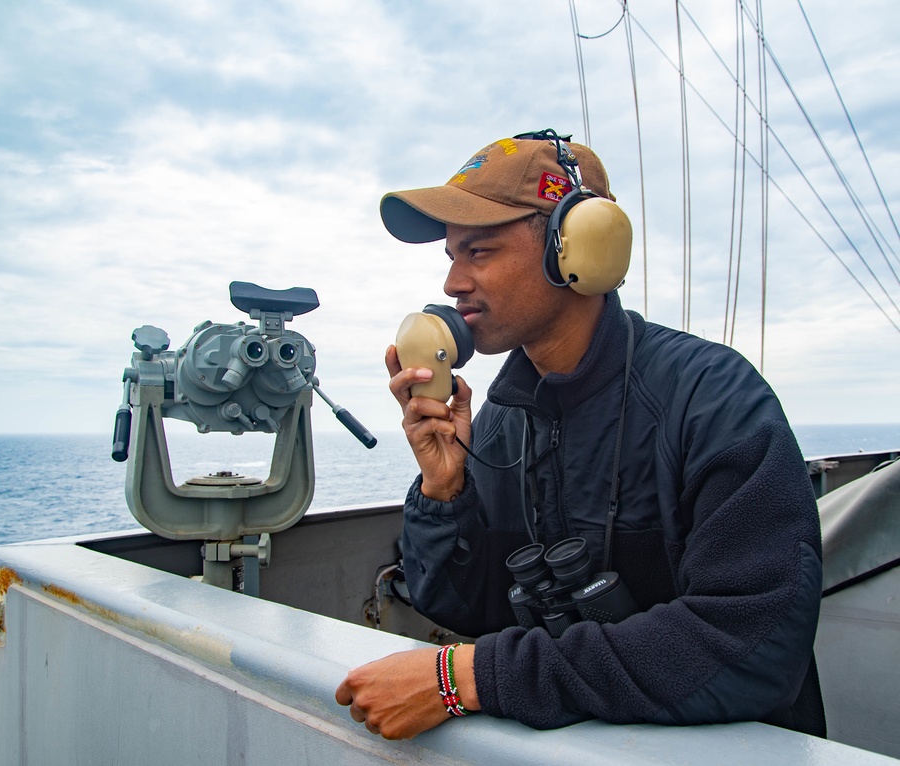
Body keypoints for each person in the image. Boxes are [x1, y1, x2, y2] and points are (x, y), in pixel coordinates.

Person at [335, 131, 824, 741]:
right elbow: (464, 605)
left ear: (578, 248)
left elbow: (752, 645)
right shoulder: (503, 420)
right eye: (451, 258)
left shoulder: (713, 399)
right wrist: (443, 491)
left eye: (479, 252)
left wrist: (467, 678)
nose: (452, 284)